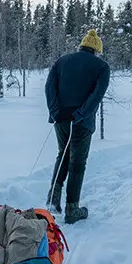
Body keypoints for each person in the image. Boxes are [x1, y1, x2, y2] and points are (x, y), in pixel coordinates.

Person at [45, 29, 111, 224]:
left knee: (62, 154)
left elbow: (50, 87)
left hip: (61, 118)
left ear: (82, 46)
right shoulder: (102, 67)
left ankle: (53, 198)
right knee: (77, 163)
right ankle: (72, 209)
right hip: (82, 121)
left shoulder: (62, 61)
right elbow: (97, 95)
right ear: (96, 50)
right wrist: (81, 114)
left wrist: (55, 110)